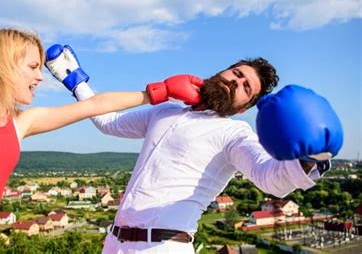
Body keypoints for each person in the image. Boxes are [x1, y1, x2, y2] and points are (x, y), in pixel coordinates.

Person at [0, 29, 204, 253]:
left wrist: (156, 92)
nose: (40, 77)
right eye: (32, 66)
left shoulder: (20, 123)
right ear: (4, 63)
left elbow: (93, 106)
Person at [45, 44, 341, 254]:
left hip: (163, 247)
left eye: (246, 88)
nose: (235, 82)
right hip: (114, 242)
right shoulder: (164, 111)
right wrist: (75, 80)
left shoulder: (235, 133)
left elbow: (270, 179)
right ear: (221, 72)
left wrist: (311, 158)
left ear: (244, 108)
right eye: (236, 73)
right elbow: (109, 122)